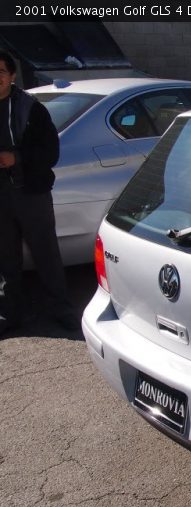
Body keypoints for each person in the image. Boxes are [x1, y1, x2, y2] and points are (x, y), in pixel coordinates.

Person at [0, 49, 78, 336]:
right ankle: (10, 314)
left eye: (0, 72)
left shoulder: (30, 108)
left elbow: (50, 152)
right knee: (6, 259)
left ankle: (62, 311)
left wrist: (16, 158)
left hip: (31, 193)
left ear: (11, 76)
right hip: (1, 198)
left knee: (46, 255)